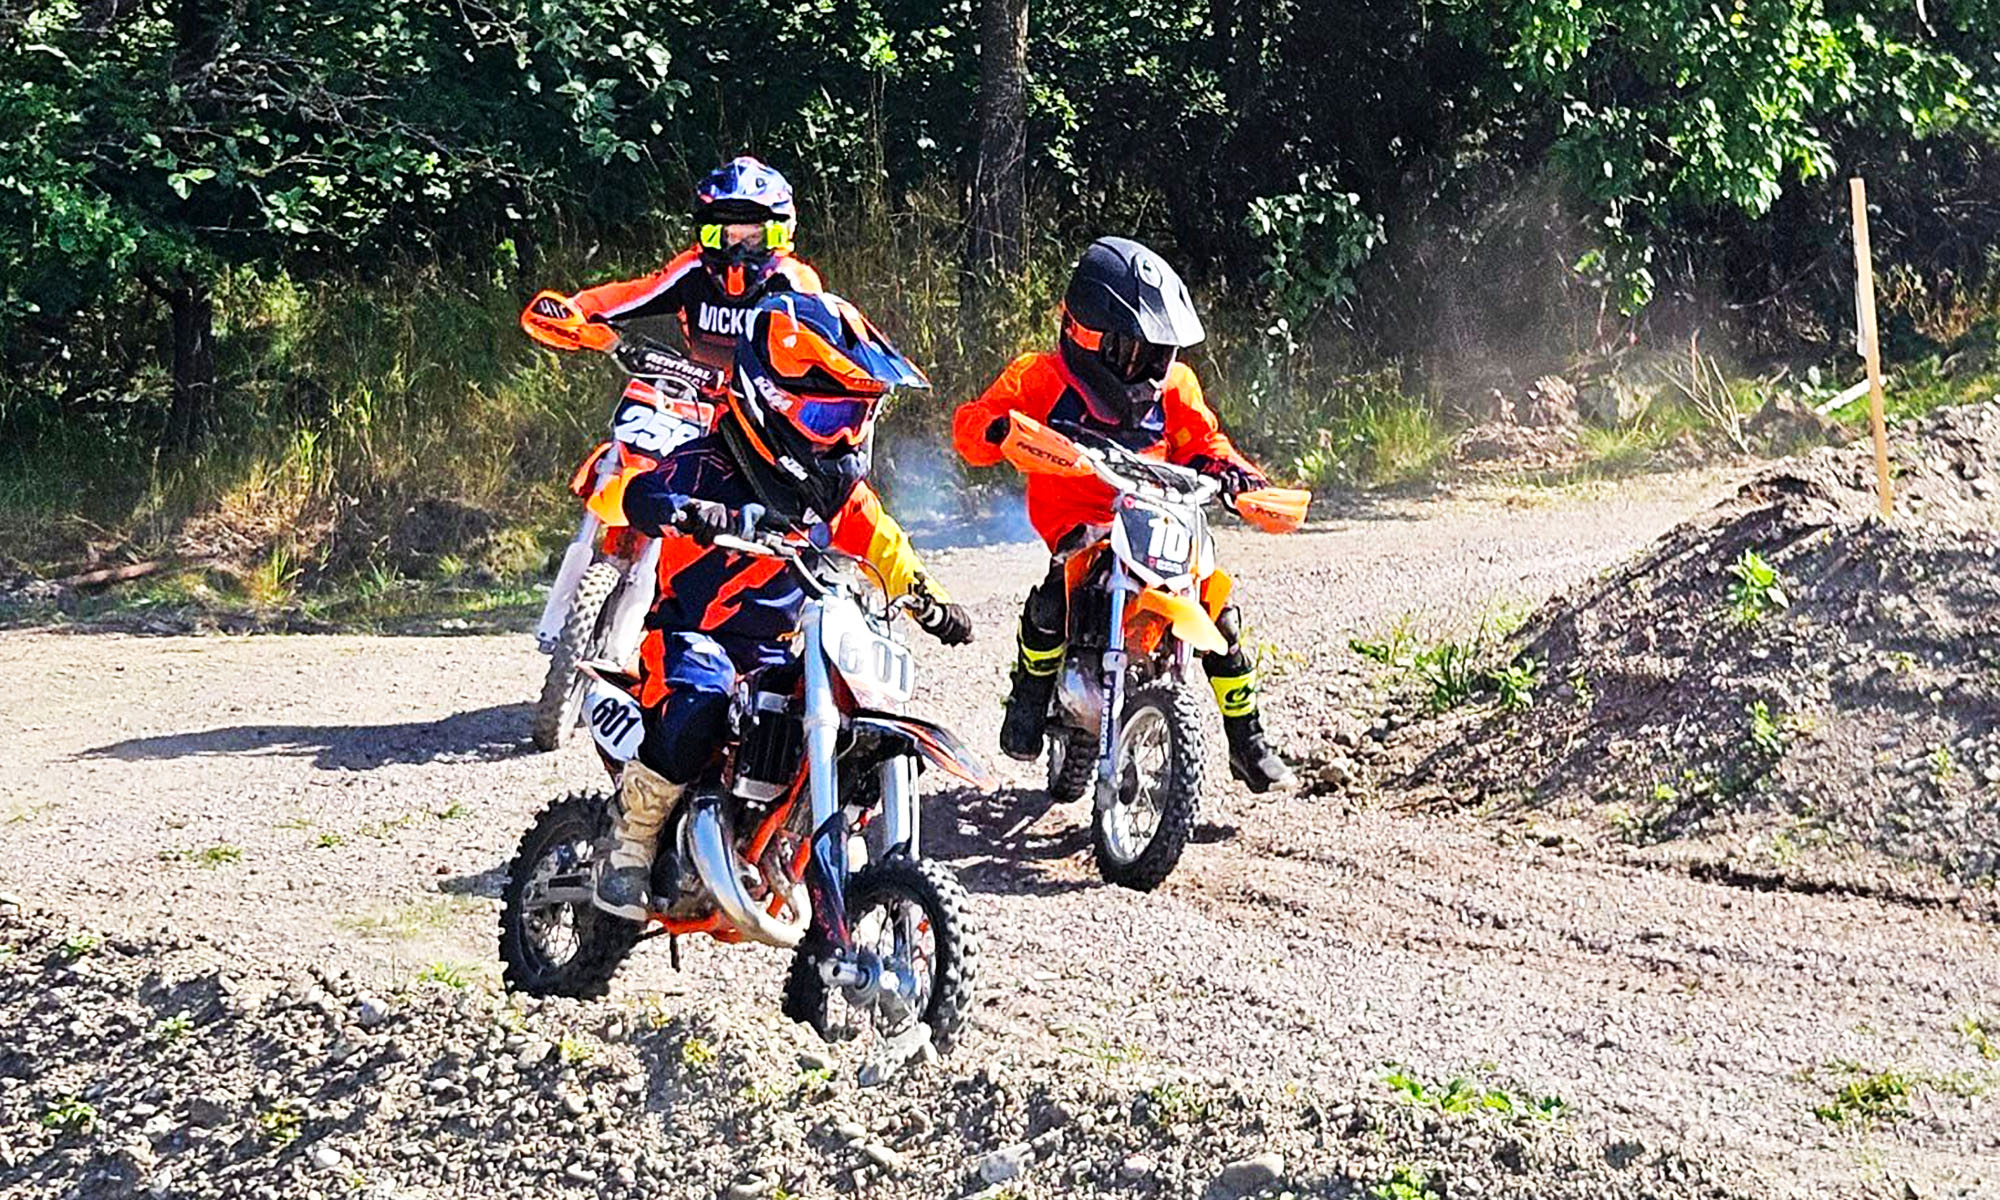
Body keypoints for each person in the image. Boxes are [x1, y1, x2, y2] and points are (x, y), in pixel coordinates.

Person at [593, 290, 972, 920]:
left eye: (858, 418)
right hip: (693, 640)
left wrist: (929, 602)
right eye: (829, 421)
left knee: (846, 721)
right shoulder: (706, 464)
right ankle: (630, 842)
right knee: (701, 704)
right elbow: (633, 497)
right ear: (769, 403)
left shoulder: (838, 496)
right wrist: (681, 510)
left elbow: (886, 549)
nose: (845, 437)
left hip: (778, 649)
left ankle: (799, 845)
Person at [951, 236, 1294, 793]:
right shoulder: (1039, 378)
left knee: (1219, 614)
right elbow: (973, 424)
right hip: (1080, 523)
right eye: (1133, 350)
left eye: (1157, 353)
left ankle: (1248, 739)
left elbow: (1205, 443)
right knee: (1052, 601)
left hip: (1160, 517)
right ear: (1087, 335)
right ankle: (1029, 700)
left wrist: (1238, 476)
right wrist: (995, 430)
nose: (1148, 366)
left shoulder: (1176, 387)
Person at [566, 156, 823, 373]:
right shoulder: (692, 268)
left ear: (779, 233)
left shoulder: (794, 280)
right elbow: (636, 294)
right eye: (725, 236)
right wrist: (575, 308)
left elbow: (828, 342)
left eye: (754, 237)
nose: (737, 249)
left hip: (774, 410)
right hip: (702, 400)